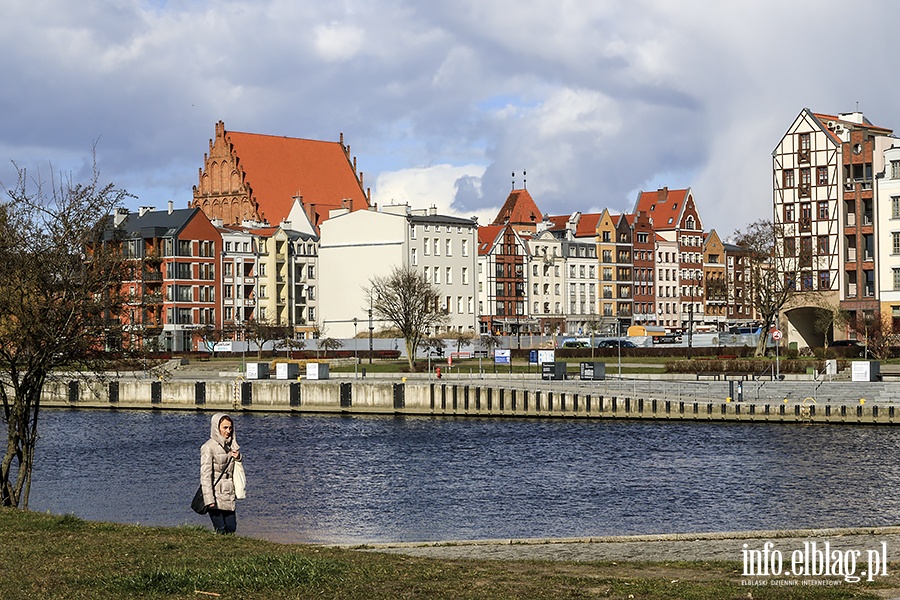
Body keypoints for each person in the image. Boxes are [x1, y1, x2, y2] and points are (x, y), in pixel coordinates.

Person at [200, 412, 242, 534]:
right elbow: (205, 475)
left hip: (229, 493)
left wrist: (239, 458)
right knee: (221, 530)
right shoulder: (208, 447)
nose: (228, 431)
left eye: (230, 428)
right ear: (216, 428)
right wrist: (209, 500)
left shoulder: (232, 445)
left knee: (231, 528)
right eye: (225, 428)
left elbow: (235, 469)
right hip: (215, 494)